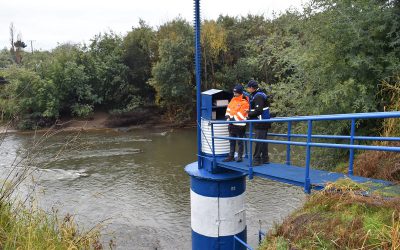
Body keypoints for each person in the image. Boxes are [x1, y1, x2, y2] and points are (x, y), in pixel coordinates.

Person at [223, 84, 249, 162]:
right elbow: (229, 108)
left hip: (240, 125)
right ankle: (231, 156)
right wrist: (227, 115)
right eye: (234, 92)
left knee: (240, 142)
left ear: (240, 93)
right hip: (231, 124)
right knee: (231, 141)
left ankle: (240, 157)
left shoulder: (244, 102)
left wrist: (232, 119)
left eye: (236, 92)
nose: (234, 94)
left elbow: (242, 114)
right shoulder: (233, 100)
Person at [246, 80, 270, 166]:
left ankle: (256, 160)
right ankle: (265, 158)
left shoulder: (258, 96)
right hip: (263, 121)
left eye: (248, 87)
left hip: (261, 122)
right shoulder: (259, 94)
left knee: (258, 141)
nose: (247, 89)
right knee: (262, 140)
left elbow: (258, 111)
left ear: (252, 88)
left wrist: (248, 113)